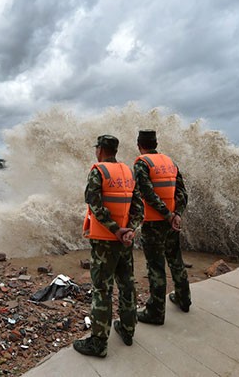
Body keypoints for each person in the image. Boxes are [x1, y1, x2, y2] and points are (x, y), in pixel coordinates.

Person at [73, 135, 144, 358]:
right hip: (125, 241)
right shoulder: (127, 171)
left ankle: (98, 344)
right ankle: (127, 330)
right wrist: (130, 229)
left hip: (106, 241)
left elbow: (94, 203)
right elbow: (138, 207)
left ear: (101, 149)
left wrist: (115, 230)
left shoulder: (99, 171)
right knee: (126, 284)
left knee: (102, 290)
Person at [133, 129, 190, 325]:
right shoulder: (169, 162)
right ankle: (184, 299)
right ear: (156, 143)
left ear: (139, 144)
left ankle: (156, 312)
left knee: (156, 266)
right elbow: (182, 192)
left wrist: (167, 216)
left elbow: (147, 193)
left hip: (154, 223)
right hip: (172, 222)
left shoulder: (142, 163)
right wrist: (177, 215)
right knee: (175, 259)